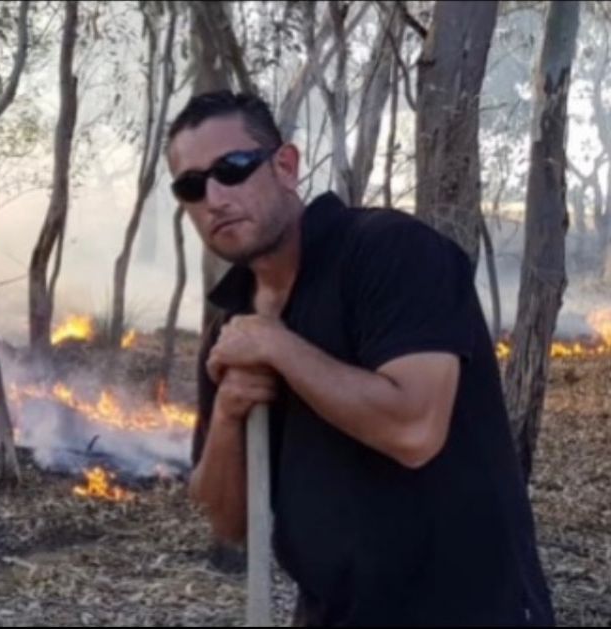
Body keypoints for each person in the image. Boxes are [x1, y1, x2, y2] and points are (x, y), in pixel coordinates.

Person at [167, 90, 554, 627]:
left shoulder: (390, 253)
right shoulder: (231, 326)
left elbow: (415, 430)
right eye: (190, 185)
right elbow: (231, 521)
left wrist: (277, 345)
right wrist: (230, 417)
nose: (213, 196)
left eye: (232, 168)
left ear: (286, 166)